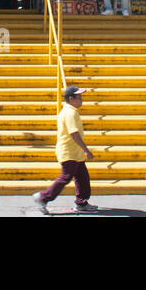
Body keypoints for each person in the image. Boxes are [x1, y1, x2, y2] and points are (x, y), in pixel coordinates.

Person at [33, 85, 98, 214]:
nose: (81, 99)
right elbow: (74, 133)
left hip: (75, 153)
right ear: (71, 98)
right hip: (69, 152)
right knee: (66, 177)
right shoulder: (70, 113)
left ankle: (81, 203)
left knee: (82, 177)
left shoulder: (70, 111)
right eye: (79, 97)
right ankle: (43, 197)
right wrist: (86, 150)